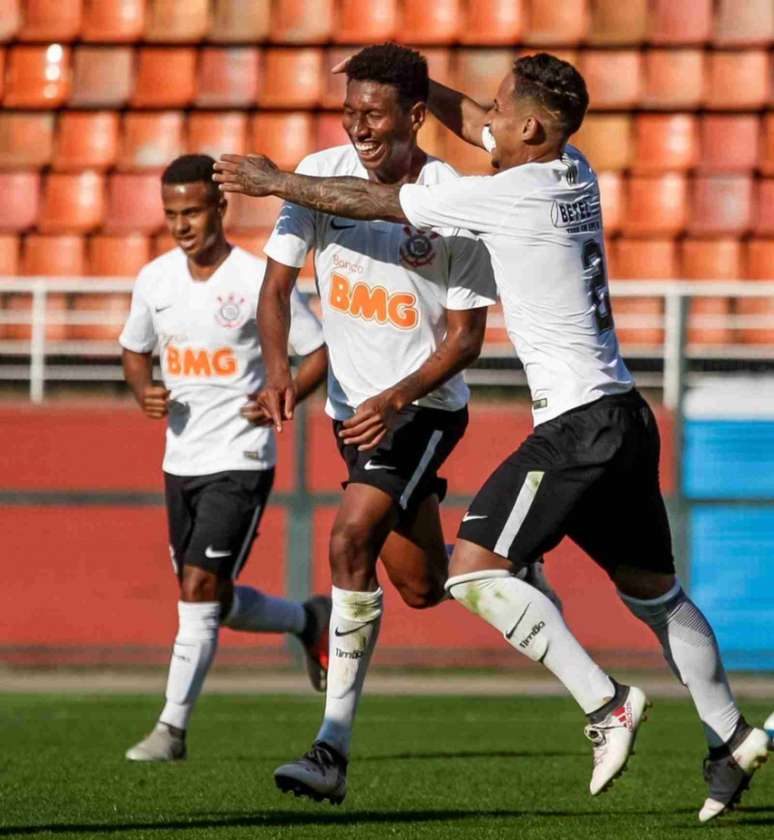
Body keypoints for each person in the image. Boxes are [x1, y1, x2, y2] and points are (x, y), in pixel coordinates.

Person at [213, 53, 769, 821]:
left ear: (530, 128)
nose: (483, 117)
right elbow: (472, 120)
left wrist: (276, 181)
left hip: (577, 426)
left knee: (473, 571)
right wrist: (417, 78)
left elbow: (372, 201)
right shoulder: (572, 169)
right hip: (625, 418)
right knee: (658, 597)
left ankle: (606, 706)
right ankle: (730, 738)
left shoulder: (505, 199)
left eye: (499, 109)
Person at [236, 42, 519, 806]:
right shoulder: (318, 175)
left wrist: (394, 399)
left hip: (421, 411)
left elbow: (464, 342)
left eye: (374, 111)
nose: (358, 124)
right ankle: (505, 564)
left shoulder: (452, 198)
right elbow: (275, 291)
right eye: (349, 109)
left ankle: (331, 748)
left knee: (347, 538)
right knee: (423, 585)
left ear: (416, 115)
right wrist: (276, 372)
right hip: (352, 416)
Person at [120, 154, 330, 762]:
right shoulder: (155, 280)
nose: (181, 225)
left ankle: (171, 729)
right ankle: (306, 620)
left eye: (191, 211)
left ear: (220, 208)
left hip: (240, 456)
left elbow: (315, 353)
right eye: (171, 214)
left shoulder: (255, 278)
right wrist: (143, 390)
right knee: (208, 598)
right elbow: (135, 351)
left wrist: (280, 395)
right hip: (179, 459)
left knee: (198, 585)